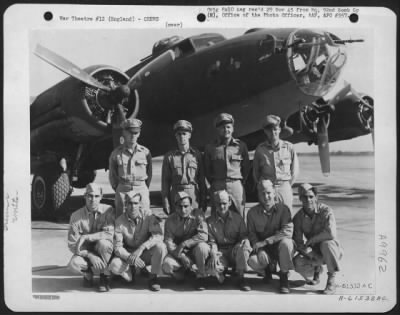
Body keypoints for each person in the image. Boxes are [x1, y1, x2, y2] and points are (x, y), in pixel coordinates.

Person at [109, 191, 167, 292]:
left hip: (144, 253)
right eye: (130, 203)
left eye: (135, 203)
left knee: (160, 247)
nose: (133, 206)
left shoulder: (148, 215)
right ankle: (130, 273)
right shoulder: (119, 221)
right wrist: (130, 257)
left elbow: (158, 235)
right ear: (125, 204)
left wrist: (142, 247)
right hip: (128, 255)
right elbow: (117, 247)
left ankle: (153, 277)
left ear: (140, 204)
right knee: (114, 265)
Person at [293, 183, 343, 295]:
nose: (308, 200)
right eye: (304, 197)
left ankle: (331, 280)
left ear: (316, 197)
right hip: (314, 252)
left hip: (332, 251)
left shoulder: (326, 211)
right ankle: (316, 270)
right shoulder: (298, 218)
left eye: (311, 196)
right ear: (300, 198)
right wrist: (306, 252)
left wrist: (312, 240)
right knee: (297, 262)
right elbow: (297, 241)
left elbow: (331, 234)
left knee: (327, 244)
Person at [247, 180, 295, 294]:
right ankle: (267, 271)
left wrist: (265, 242)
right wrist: (260, 249)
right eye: (262, 193)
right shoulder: (252, 213)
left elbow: (287, 232)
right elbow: (251, 234)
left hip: (280, 248)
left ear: (274, 192)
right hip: (266, 250)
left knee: (286, 243)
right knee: (252, 261)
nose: (266, 196)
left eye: (268, 192)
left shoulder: (284, 210)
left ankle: (284, 277)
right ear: (258, 195)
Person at [67, 183, 115, 292]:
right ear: (85, 196)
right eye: (90, 196)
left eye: (96, 196)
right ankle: (88, 274)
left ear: (101, 197)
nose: (93, 200)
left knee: (105, 243)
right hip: (85, 253)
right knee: (73, 264)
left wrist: (87, 237)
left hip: (103, 251)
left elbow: (110, 234)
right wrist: (90, 255)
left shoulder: (109, 211)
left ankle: (104, 276)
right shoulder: (76, 216)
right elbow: (72, 244)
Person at [204, 113, 251, 218]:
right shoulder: (210, 148)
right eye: (223, 127)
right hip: (218, 185)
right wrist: (215, 182)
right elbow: (207, 170)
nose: (226, 130)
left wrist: (239, 181)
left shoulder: (241, 146)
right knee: (217, 217)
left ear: (233, 129)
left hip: (236, 185)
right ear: (218, 129)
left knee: (239, 216)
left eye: (228, 127)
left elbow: (246, 167)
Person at [162, 191, 210, 291]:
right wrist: (181, 256)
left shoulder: (198, 215)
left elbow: (204, 235)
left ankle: (201, 277)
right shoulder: (170, 220)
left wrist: (184, 244)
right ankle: (183, 273)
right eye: (180, 206)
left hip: (194, 251)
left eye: (186, 206)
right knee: (167, 265)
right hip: (178, 253)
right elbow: (168, 242)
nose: (183, 210)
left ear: (191, 205)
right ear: (175, 206)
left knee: (203, 247)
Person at [206, 190, 252, 291]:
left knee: (245, 247)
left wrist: (245, 240)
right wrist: (213, 253)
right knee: (211, 268)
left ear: (230, 202)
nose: (222, 206)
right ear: (215, 204)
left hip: (234, 251)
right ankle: (222, 271)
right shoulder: (209, 221)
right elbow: (212, 242)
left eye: (224, 203)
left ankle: (241, 276)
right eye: (219, 204)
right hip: (220, 251)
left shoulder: (238, 219)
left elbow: (243, 236)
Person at [253, 114, 299, 213]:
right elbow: (256, 173)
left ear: (279, 130)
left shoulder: (289, 147)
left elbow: (294, 171)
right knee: (267, 218)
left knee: (286, 217)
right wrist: (264, 186)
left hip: (284, 187)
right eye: (269, 130)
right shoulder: (260, 149)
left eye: (275, 129)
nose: (273, 132)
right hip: (267, 189)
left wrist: (286, 185)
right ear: (265, 131)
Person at [109, 118, 152, 217]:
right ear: (124, 133)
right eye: (130, 132)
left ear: (139, 134)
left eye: (136, 132)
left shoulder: (145, 152)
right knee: (121, 222)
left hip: (141, 189)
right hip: (123, 190)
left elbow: (149, 173)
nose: (133, 135)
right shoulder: (116, 153)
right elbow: (113, 175)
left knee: (144, 220)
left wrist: (143, 187)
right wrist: (120, 188)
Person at [161, 120, 206, 214]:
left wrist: (203, 199)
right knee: (177, 224)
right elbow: (165, 181)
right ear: (176, 136)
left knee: (194, 223)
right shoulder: (169, 156)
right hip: (176, 193)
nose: (182, 136)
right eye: (179, 134)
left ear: (189, 135)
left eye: (184, 133)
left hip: (192, 193)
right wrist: (165, 201)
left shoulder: (196, 155)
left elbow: (201, 180)